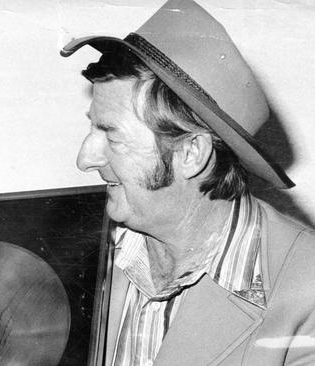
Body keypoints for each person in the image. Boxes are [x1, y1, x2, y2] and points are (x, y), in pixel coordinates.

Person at [61, 0, 315, 365]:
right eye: (92, 127)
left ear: (192, 153)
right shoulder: (76, 248)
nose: (85, 159)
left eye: (112, 137)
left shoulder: (308, 290)